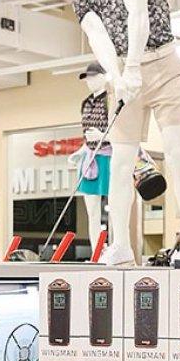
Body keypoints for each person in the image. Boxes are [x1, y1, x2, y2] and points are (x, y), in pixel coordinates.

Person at [42, 0, 180, 265]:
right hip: (123, 75)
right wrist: (117, 76)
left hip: (164, 65)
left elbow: (137, 13)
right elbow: (97, 37)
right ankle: (121, 246)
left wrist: (132, 66)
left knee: (176, 152)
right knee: (120, 161)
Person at [69, 62, 112, 253]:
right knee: (92, 210)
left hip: (109, 156)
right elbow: (86, 134)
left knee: (115, 208)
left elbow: (122, 132)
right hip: (89, 157)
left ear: (103, 77)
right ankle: (96, 250)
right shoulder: (85, 103)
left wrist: (103, 136)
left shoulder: (111, 100)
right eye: (88, 78)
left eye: (93, 77)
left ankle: (114, 247)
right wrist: (80, 151)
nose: (90, 81)